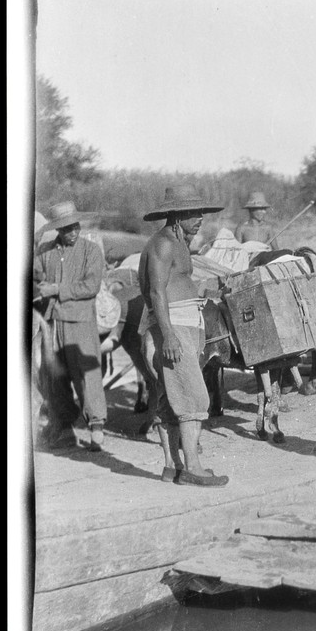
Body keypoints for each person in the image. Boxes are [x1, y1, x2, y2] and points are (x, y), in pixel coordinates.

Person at [138, 185, 229, 486]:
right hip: (173, 329)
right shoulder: (163, 244)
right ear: (176, 215)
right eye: (193, 213)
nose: (200, 218)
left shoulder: (177, 243)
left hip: (182, 325)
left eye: (201, 212)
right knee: (193, 396)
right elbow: (155, 291)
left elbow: (176, 286)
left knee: (171, 398)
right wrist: (169, 336)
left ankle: (171, 467)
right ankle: (193, 467)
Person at [32, 201, 108, 451]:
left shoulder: (91, 251)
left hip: (80, 321)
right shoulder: (46, 252)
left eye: (75, 226)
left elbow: (91, 286)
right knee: (55, 376)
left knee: (87, 374)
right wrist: (39, 287)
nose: (73, 232)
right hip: (53, 322)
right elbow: (34, 276)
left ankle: (96, 426)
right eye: (66, 229)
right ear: (58, 230)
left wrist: (57, 289)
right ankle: (65, 429)